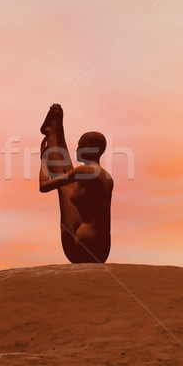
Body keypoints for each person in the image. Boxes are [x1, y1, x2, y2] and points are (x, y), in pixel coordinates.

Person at [39, 104, 113, 263]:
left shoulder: (83, 172)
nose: (77, 149)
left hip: (82, 248)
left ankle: (53, 133)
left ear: (87, 148)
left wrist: (44, 159)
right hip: (102, 251)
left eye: (79, 145)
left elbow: (43, 186)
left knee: (65, 187)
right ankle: (55, 130)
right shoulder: (107, 177)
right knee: (69, 184)